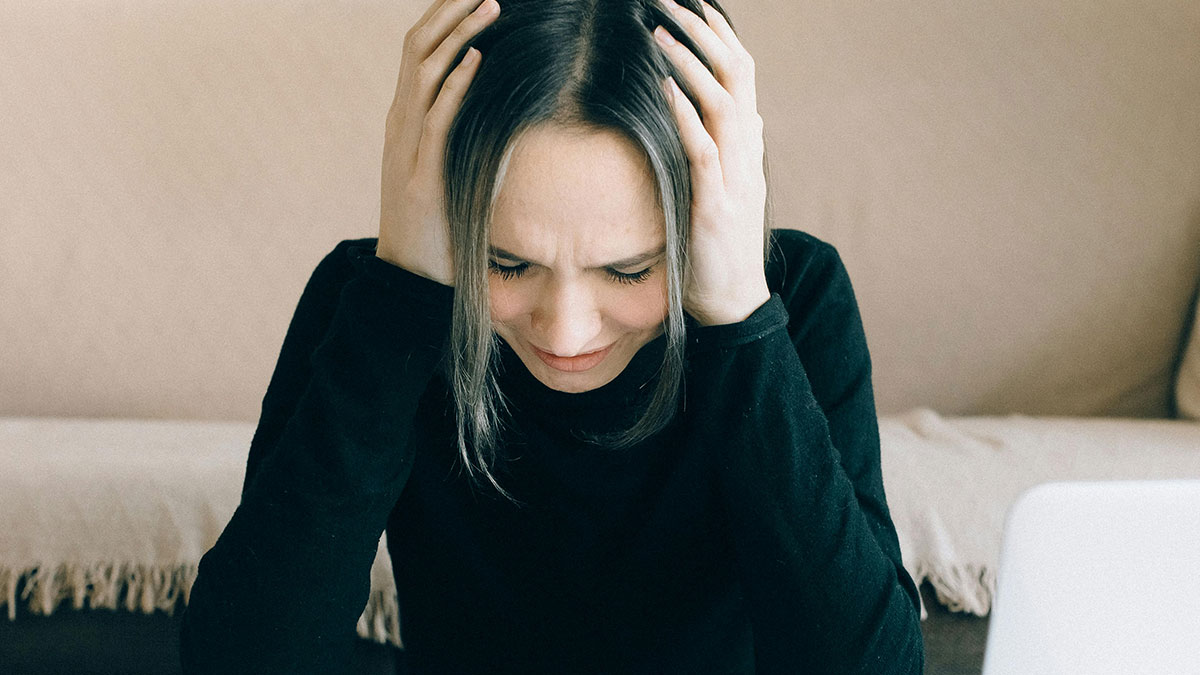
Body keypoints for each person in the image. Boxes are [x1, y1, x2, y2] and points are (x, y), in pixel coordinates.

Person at [178, 0, 925, 672]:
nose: (566, 334)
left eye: (630, 270)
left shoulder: (796, 297)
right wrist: (401, 295)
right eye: (505, 262)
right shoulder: (373, 303)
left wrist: (739, 320)